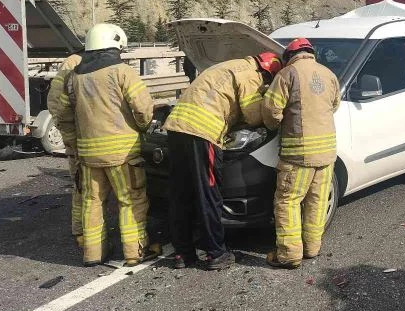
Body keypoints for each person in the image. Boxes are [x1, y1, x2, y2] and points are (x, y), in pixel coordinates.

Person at [163, 51, 282, 270]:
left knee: (181, 194)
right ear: (267, 72)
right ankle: (215, 253)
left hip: (176, 128)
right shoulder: (250, 76)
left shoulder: (227, 65)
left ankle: (183, 253)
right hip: (202, 133)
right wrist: (267, 99)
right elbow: (253, 116)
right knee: (208, 193)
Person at [58, 24, 156, 267]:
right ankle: (135, 252)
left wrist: (73, 140)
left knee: (92, 202)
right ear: (115, 45)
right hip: (122, 154)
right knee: (130, 200)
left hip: (88, 155)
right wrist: (143, 128)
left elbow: (63, 111)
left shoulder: (75, 77)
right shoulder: (123, 71)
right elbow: (143, 108)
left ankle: (93, 253)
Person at [263, 38, 340, 269]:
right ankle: (312, 248)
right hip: (327, 154)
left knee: (288, 201)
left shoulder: (288, 74)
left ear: (289, 56)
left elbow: (271, 111)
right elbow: (335, 105)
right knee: (316, 201)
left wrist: (275, 124)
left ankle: (288, 255)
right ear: (310, 53)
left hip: (299, 155)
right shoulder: (329, 74)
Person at [46, 51, 83, 248]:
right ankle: (81, 230)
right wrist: (70, 135)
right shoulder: (75, 63)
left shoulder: (78, 62)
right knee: (82, 184)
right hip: (80, 137)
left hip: (83, 137)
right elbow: (56, 104)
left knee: (83, 185)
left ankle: (84, 230)